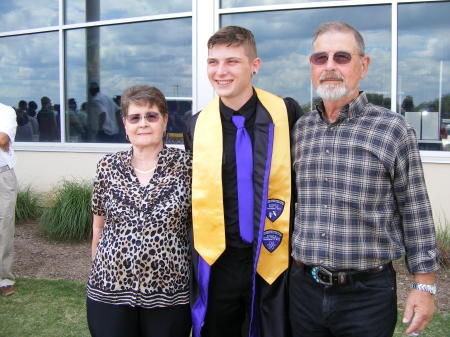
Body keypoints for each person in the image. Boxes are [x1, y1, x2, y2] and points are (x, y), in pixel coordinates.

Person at [290, 22, 439, 337]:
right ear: (312, 67)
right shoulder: (301, 130)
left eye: (341, 57)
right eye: (321, 58)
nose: (330, 66)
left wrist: (424, 286)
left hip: (366, 296)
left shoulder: (392, 129)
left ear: (363, 65)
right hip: (303, 291)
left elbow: (415, 210)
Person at [184, 26, 302, 337]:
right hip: (218, 259)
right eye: (213, 62)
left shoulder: (285, 113)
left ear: (254, 66)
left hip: (272, 256)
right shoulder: (195, 126)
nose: (220, 71)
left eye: (232, 61)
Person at [86, 85, 192, 337]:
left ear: (165, 121)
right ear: (125, 124)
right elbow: (98, 225)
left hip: (169, 294)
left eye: (151, 116)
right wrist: (97, 265)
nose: (143, 123)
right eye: (135, 117)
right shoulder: (107, 166)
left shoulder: (187, 166)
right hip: (109, 289)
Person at [0, 102, 18, 296]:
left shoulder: (5, 112)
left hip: (2, 176)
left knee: (4, 228)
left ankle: (4, 278)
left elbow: (3, 139)